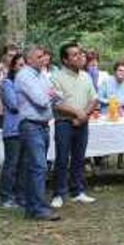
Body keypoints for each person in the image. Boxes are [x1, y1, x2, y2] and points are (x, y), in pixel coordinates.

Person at [16, 46, 67, 221]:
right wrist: (50, 95)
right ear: (29, 60)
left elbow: (59, 95)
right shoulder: (24, 76)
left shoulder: (41, 75)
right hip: (31, 125)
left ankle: (33, 207)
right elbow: (41, 100)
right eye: (38, 57)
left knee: (36, 167)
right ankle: (37, 208)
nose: (42, 59)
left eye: (43, 56)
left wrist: (50, 94)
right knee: (38, 167)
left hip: (43, 125)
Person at [50, 42, 98, 208]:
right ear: (65, 60)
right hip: (64, 122)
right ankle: (58, 193)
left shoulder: (86, 76)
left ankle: (77, 191)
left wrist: (84, 115)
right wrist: (77, 114)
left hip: (83, 122)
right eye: (75, 55)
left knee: (79, 158)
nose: (80, 57)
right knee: (62, 158)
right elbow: (56, 103)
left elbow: (94, 99)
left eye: (80, 54)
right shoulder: (56, 77)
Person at [0, 53, 26, 209]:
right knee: (12, 164)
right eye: (20, 65)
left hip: (25, 128)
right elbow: (14, 104)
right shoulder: (7, 83)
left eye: (25, 65)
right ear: (13, 67)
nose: (23, 68)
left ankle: (20, 196)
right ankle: (6, 197)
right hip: (13, 130)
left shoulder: (26, 84)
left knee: (23, 164)